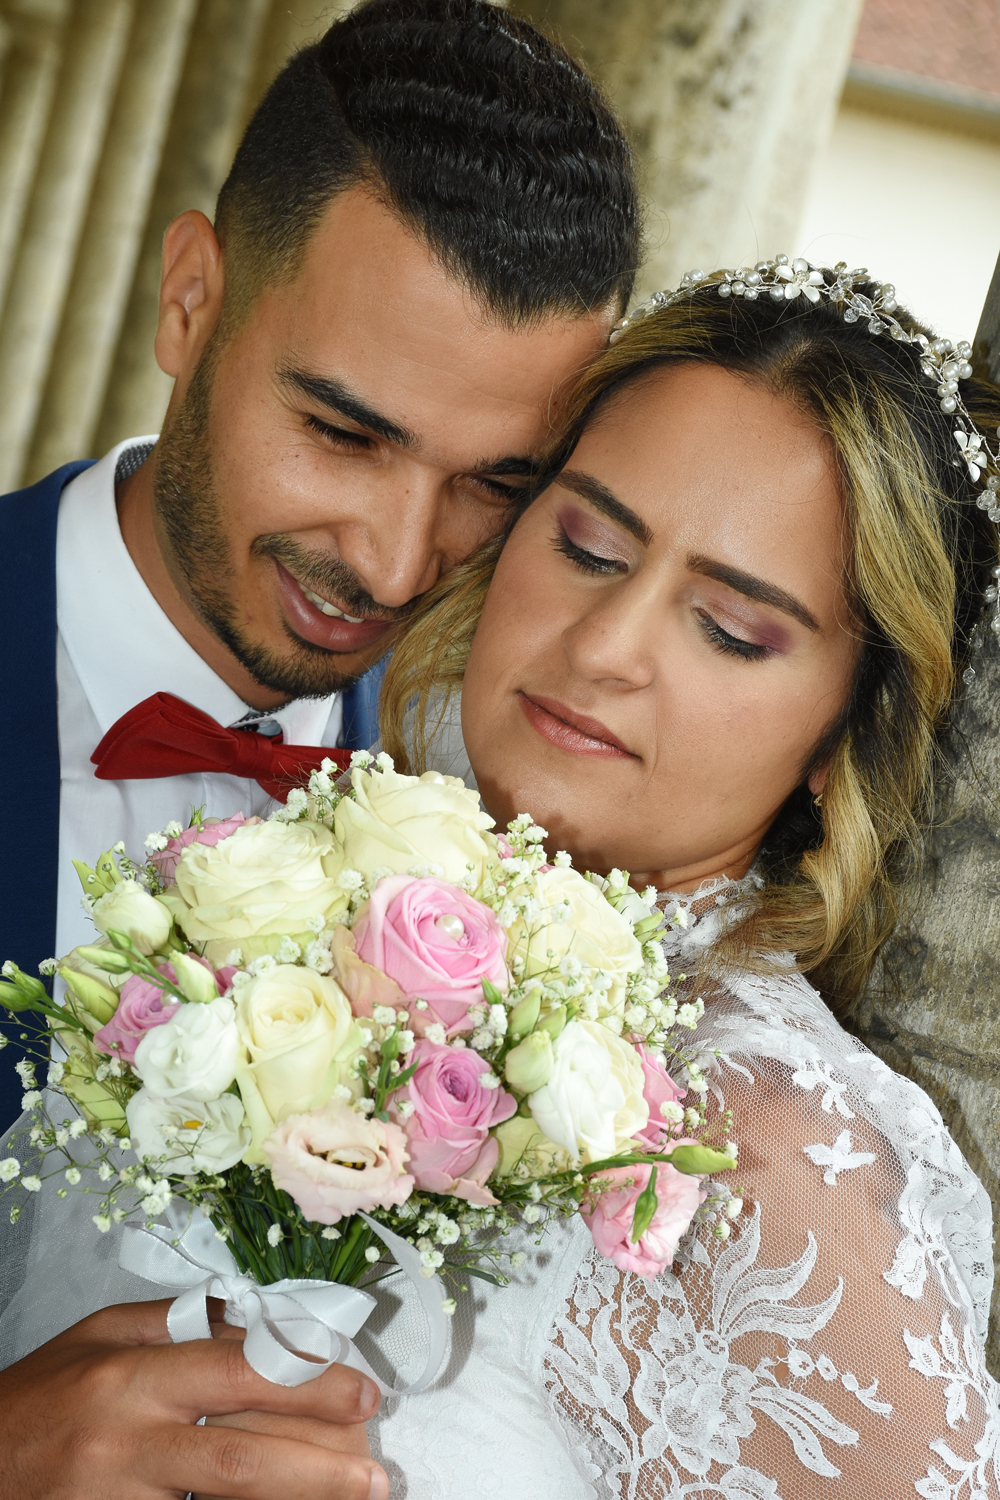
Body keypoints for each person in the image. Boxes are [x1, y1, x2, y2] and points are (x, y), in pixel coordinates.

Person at [0, 1, 640, 1494]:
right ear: (189, 300)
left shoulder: (502, 801)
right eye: (344, 434)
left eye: (494, 484)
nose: (399, 561)